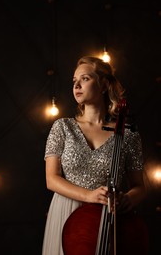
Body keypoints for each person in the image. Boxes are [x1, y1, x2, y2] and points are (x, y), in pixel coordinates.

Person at [42, 56, 147, 255]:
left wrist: (127, 199)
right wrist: (89, 195)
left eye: (85, 79)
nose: (77, 85)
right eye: (74, 81)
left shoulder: (128, 134)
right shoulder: (62, 127)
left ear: (104, 85)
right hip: (66, 212)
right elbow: (51, 179)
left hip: (106, 215)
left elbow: (140, 187)